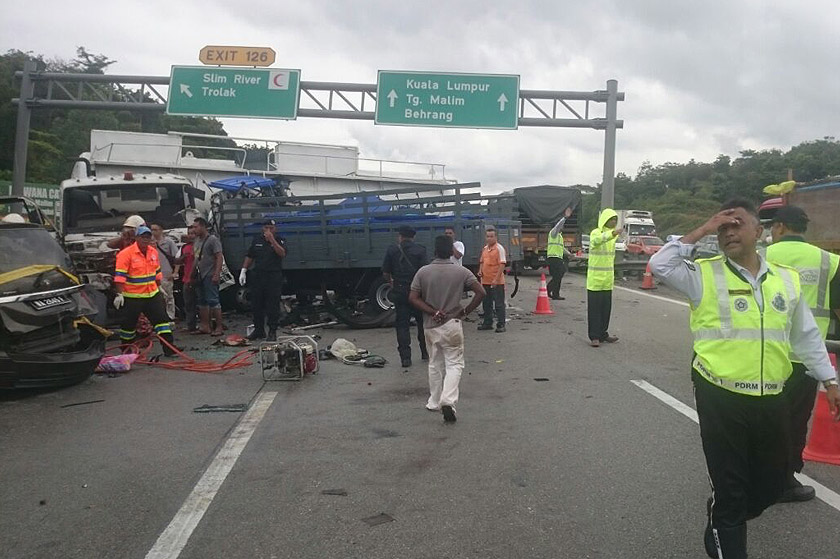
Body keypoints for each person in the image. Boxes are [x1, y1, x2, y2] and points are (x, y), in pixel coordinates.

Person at [649, 199, 840, 559]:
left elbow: (806, 335)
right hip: (721, 396)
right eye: (722, 228)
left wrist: (829, 380)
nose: (729, 232)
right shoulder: (702, 275)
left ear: (760, 231)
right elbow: (659, 264)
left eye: (737, 224)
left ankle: (725, 513)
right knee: (731, 489)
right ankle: (726, 522)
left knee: (772, 483)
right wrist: (703, 228)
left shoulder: (787, 279)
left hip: (772, 396)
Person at [765, 205, 840, 502]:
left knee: (759, 417)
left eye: (773, 227)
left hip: (765, 355)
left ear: (781, 227)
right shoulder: (829, 262)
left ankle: (750, 476)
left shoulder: (761, 257)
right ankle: (784, 480)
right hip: (806, 359)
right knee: (794, 422)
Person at [410, 235, 485, 423]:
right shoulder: (461, 272)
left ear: (434, 251)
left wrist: (433, 311)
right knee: (454, 363)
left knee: (434, 363)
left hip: (430, 326)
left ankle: (434, 401)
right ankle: (448, 400)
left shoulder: (423, 272)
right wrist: (465, 311)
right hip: (453, 324)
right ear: (452, 251)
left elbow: (413, 297)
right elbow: (481, 292)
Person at [113, 226, 177, 356]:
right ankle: (126, 351)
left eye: (148, 237)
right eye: (143, 237)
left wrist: (159, 287)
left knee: (163, 322)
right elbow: (120, 276)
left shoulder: (153, 252)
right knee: (128, 326)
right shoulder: (126, 254)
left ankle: (170, 349)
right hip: (132, 297)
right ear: (136, 238)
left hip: (152, 294)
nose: (146, 239)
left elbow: (157, 272)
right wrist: (119, 294)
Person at [383, 225, 428, 367]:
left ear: (400, 236)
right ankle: (425, 352)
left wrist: (391, 283)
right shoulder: (421, 250)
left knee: (402, 326)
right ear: (413, 237)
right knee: (422, 323)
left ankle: (405, 358)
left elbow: (386, 272)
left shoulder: (392, 250)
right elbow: (425, 272)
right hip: (418, 293)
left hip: (400, 292)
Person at [239, 219, 287, 340]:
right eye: (266, 228)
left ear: (275, 229)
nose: (269, 230)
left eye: (271, 228)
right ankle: (259, 330)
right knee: (256, 304)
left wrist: (272, 240)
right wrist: (243, 270)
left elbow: (282, 253)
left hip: (273, 276)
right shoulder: (257, 240)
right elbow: (250, 255)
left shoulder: (280, 239)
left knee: (272, 305)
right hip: (258, 275)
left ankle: (272, 331)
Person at [586, 209, 620, 347]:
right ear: (605, 220)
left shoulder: (613, 237)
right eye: (611, 219)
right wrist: (612, 233)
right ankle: (594, 336)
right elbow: (597, 241)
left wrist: (613, 234)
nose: (614, 222)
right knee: (594, 310)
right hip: (595, 280)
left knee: (606, 310)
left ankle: (603, 333)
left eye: (615, 220)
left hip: (607, 280)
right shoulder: (596, 232)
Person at [192, 217, 224, 336]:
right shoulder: (197, 241)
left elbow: (219, 257)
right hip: (200, 275)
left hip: (210, 274)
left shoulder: (212, 240)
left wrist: (216, 274)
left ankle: (219, 327)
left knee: (213, 301)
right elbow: (196, 259)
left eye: (196, 227)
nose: (194, 230)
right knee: (202, 301)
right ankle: (205, 326)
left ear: (203, 227)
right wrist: (192, 275)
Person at [477, 227, 508, 333]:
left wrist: (496, 279)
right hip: (485, 281)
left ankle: (501, 324)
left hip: (497, 282)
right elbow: (482, 262)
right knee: (486, 303)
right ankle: (487, 322)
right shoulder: (485, 249)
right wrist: (480, 271)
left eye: (491, 236)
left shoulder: (499, 249)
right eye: (488, 236)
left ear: (496, 237)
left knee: (499, 304)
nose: (489, 238)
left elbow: (502, 264)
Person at [150, 223, 178, 321]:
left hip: (166, 273)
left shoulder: (168, 242)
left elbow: (176, 258)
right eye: (152, 230)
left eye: (155, 229)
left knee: (168, 296)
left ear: (161, 230)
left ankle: (170, 316)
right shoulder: (149, 243)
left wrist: (175, 272)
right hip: (153, 274)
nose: (153, 232)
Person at [547, 207, 573, 300]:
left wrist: (569, 254)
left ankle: (554, 293)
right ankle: (551, 290)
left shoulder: (559, 236)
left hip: (558, 257)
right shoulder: (553, 233)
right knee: (559, 274)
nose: (562, 227)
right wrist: (565, 218)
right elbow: (558, 226)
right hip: (553, 258)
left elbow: (561, 248)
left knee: (558, 276)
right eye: (562, 226)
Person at [176, 225, 198, 332]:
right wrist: (183, 257)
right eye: (189, 233)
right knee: (189, 304)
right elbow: (177, 261)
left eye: (193, 233)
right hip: (187, 279)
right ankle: (191, 326)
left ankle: (206, 324)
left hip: (200, 279)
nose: (191, 236)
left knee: (203, 303)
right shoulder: (184, 247)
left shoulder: (201, 245)